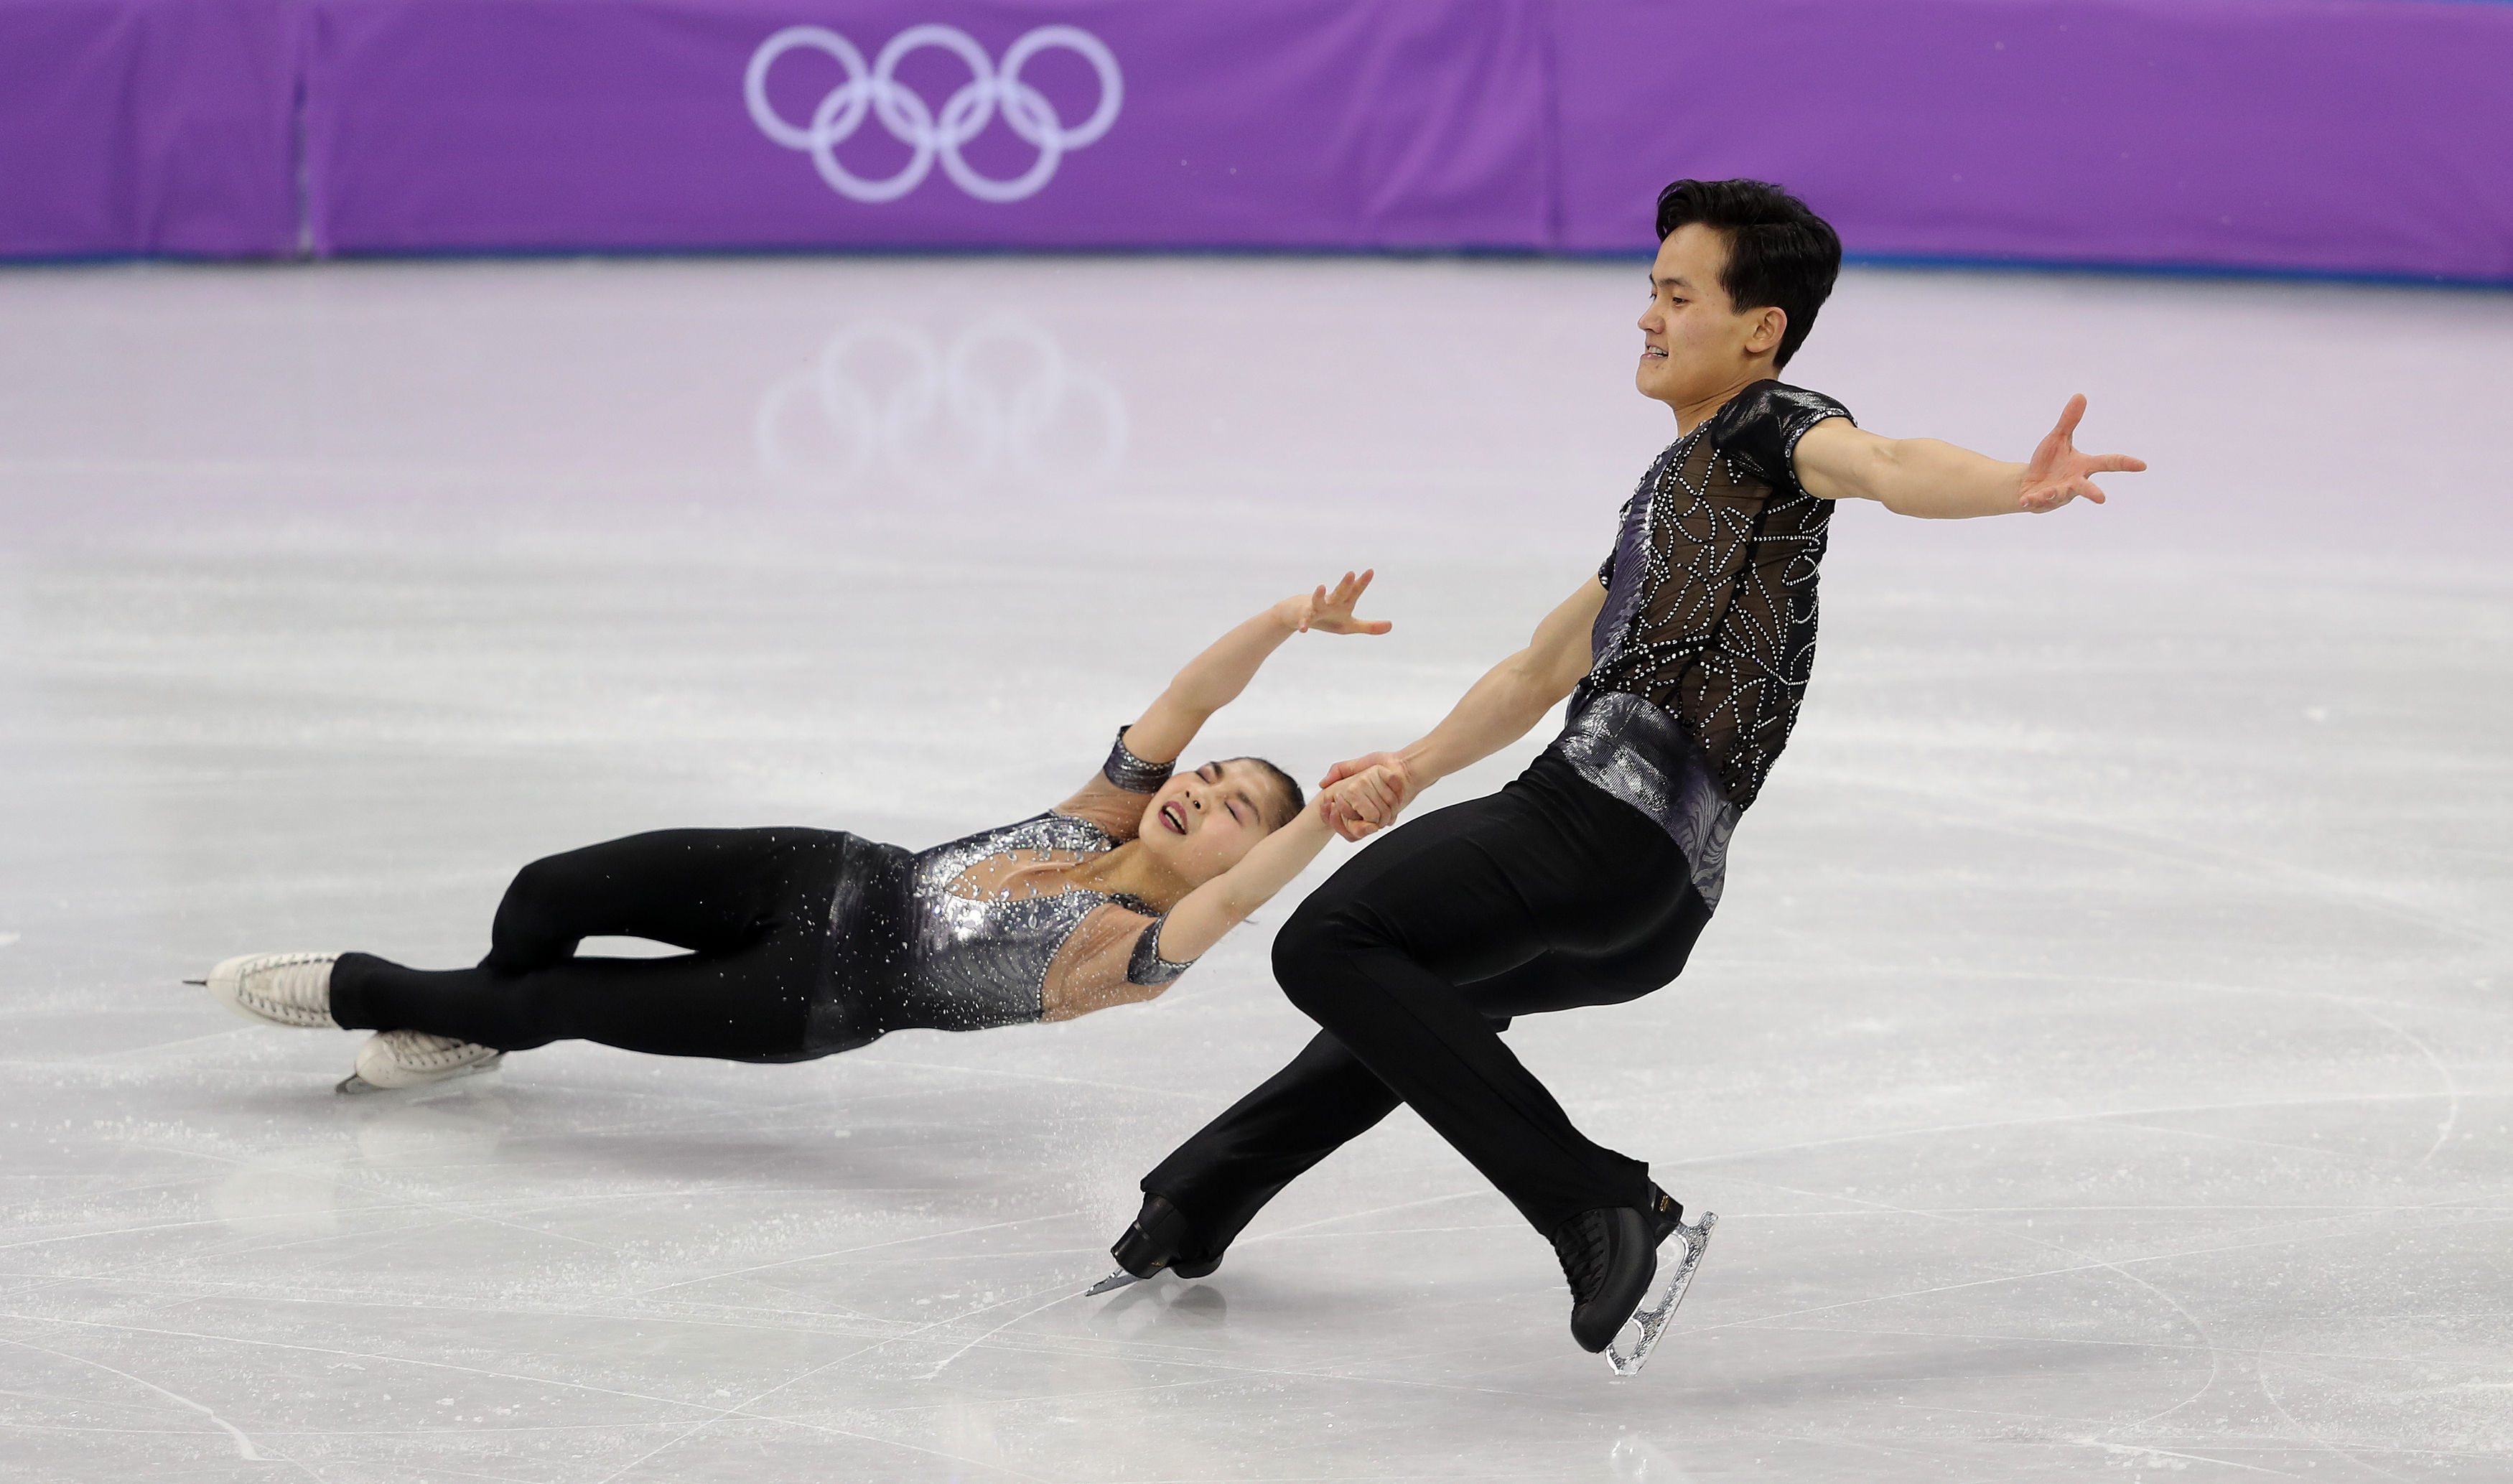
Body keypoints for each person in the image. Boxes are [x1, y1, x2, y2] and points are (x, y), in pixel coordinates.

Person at [1094, 179, 2148, 1373]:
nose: (1647, 316)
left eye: (1678, 294)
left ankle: (1599, 1204)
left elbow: (1890, 461)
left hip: (1594, 826)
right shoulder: (1672, 495)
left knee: (1328, 945)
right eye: (1650, 290)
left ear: (1759, 327)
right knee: (1418, 994)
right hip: (1654, 910)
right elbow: (1545, 661)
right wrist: (1411, 767)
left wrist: (2017, 482)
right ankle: (1202, 1198)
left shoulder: (1773, 425)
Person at [200, 574, 1404, 1093]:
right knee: (541, 897)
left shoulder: (1133, 954)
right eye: (1211, 777)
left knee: (558, 999)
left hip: (810, 999)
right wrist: (1293, 617)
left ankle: (368, 990)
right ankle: (472, 1014)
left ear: (1244, 857)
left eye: (1235, 807)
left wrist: (1327, 830)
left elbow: (1242, 906)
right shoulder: (1103, 814)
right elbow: (1193, 701)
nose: (1200, 785)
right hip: (814, 868)